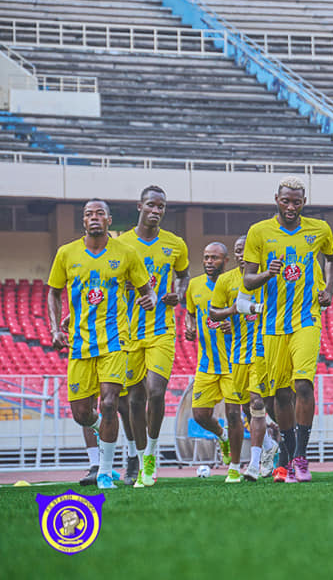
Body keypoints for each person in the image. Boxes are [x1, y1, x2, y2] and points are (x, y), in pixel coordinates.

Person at [47, 199, 155, 489]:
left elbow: (147, 290)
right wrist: (56, 328)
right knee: (82, 414)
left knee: (109, 404)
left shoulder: (127, 253)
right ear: (83, 222)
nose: (93, 218)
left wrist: (150, 299)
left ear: (109, 220)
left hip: (115, 342)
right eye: (88, 214)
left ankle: (105, 472)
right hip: (80, 343)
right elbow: (54, 293)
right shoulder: (66, 253)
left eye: (99, 214)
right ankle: (106, 435)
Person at [244, 176, 333, 482]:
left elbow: (331, 260)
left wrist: (330, 288)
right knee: (279, 395)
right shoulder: (258, 232)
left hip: (307, 320)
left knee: (303, 386)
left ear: (304, 202)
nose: (290, 206)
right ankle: (288, 451)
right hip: (272, 325)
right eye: (285, 200)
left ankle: (300, 456)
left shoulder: (319, 230)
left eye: (296, 201)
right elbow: (247, 280)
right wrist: (267, 274)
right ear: (276, 199)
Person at [117, 185, 189, 487]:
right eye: (151, 205)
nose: (156, 211)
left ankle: (151, 455)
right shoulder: (121, 243)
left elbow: (183, 275)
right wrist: (132, 292)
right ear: (139, 206)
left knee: (156, 392)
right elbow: (113, 282)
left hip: (162, 330)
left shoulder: (175, 244)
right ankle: (135, 453)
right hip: (129, 332)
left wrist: (178, 294)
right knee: (134, 399)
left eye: (161, 207)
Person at [209, 236, 278, 481]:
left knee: (257, 405)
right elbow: (213, 313)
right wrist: (233, 310)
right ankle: (270, 445)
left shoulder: (266, 277)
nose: (241, 255)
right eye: (238, 251)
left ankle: (254, 464)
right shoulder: (226, 281)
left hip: (263, 350)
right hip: (237, 354)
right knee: (242, 410)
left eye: (245, 250)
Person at [184, 243, 243, 483]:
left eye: (215, 258)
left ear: (225, 261)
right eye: (206, 257)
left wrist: (234, 324)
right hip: (206, 364)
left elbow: (246, 312)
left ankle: (235, 467)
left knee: (233, 414)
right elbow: (190, 312)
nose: (209, 261)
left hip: (232, 363)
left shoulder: (233, 283)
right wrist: (189, 326)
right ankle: (223, 436)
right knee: (200, 415)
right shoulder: (194, 285)